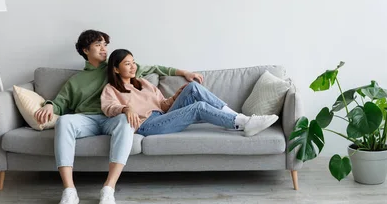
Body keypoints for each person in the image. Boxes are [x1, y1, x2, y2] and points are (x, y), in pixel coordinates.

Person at [34, 30, 204, 204]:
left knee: (125, 121)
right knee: (65, 122)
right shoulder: (75, 81)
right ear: (85, 50)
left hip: (114, 117)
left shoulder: (117, 67)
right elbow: (60, 102)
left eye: (105, 45)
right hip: (87, 119)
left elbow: (156, 69)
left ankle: (108, 189)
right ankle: (69, 192)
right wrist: (50, 106)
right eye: (98, 45)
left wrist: (185, 72)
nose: (104, 49)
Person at [101, 49, 279, 139]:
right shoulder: (111, 89)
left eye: (133, 62)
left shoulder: (143, 83)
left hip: (163, 115)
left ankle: (239, 119)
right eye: (127, 64)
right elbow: (108, 108)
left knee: (192, 87)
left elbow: (162, 105)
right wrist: (125, 109)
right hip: (147, 126)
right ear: (116, 69)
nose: (133, 67)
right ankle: (243, 122)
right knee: (198, 107)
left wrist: (175, 97)